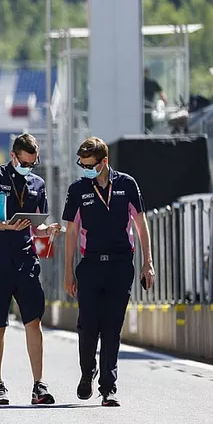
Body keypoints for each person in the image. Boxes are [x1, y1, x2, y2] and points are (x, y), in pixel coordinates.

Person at [63, 137, 155, 407]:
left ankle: (108, 387)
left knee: (112, 328)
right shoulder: (78, 189)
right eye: (82, 164)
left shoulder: (127, 184)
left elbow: (140, 223)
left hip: (120, 265)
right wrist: (69, 272)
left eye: (90, 164)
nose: (85, 168)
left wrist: (147, 262)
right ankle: (86, 371)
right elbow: (71, 231)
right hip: (90, 265)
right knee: (88, 325)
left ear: (104, 162)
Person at [0, 133, 60, 406]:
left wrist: (50, 230)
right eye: (24, 162)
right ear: (13, 156)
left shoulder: (38, 183)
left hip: (25, 259)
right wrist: (7, 226)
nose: (29, 168)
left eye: (33, 163)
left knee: (33, 321)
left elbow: (37, 225)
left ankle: (39, 384)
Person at [143, 67, 168, 133]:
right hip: (146, 108)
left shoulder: (152, 82)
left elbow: (162, 94)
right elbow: (162, 95)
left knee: (148, 124)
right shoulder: (141, 83)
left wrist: (164, 103)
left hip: (148, 108)